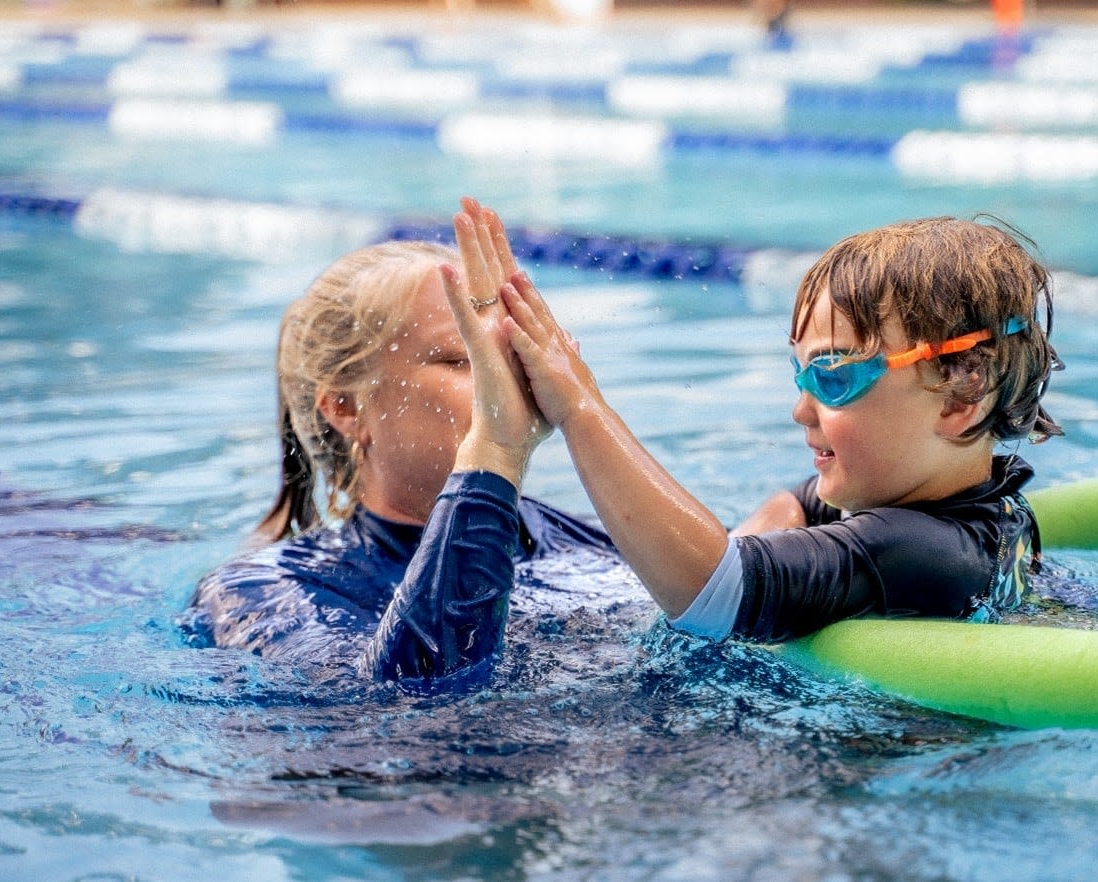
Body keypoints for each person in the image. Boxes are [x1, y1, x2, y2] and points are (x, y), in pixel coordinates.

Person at [455, 213, 1063, 643]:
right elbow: (797, 501)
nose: (801, 410)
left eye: (834, 376)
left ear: (962, 392)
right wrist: (760, 537)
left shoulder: (919, 551)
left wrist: (579, 407)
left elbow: (711, 594)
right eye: (798, 374)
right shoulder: (977, 505)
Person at [185, 200, 616, 688]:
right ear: (346, 409)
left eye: (504, 352)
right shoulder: (261, 591)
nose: (505, 378)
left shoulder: (590, 543)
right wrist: (494, 452)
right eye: (460, 359)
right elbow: (418, 698)